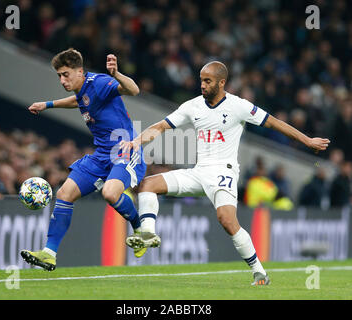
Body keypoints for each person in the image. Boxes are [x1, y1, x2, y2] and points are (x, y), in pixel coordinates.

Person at [120, 61, 330, 285]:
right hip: (199, 172)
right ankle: (148, 233)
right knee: (146, 185)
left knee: (227, 221)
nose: (202, 85)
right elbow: (161, 126)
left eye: (207, 81)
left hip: (224, 172)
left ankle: (259, 271)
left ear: (222, 83)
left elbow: (274, 123)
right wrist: (137, 140)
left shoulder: (238, 106)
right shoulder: (193, 106)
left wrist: (307, 140)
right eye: (201, 80)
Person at [21, 48, 149, 271]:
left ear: (80, 71)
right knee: (64, 193)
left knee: (110, 193)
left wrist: (116, 74)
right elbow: (79, 101)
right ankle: (49, 254)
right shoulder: (83, 90)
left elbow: (134, 90)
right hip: (101, 155)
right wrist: (47, 104)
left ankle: (140, 230)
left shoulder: (99, 82)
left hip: (124, 150)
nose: (62, 80)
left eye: (66, 74)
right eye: (59, 75)